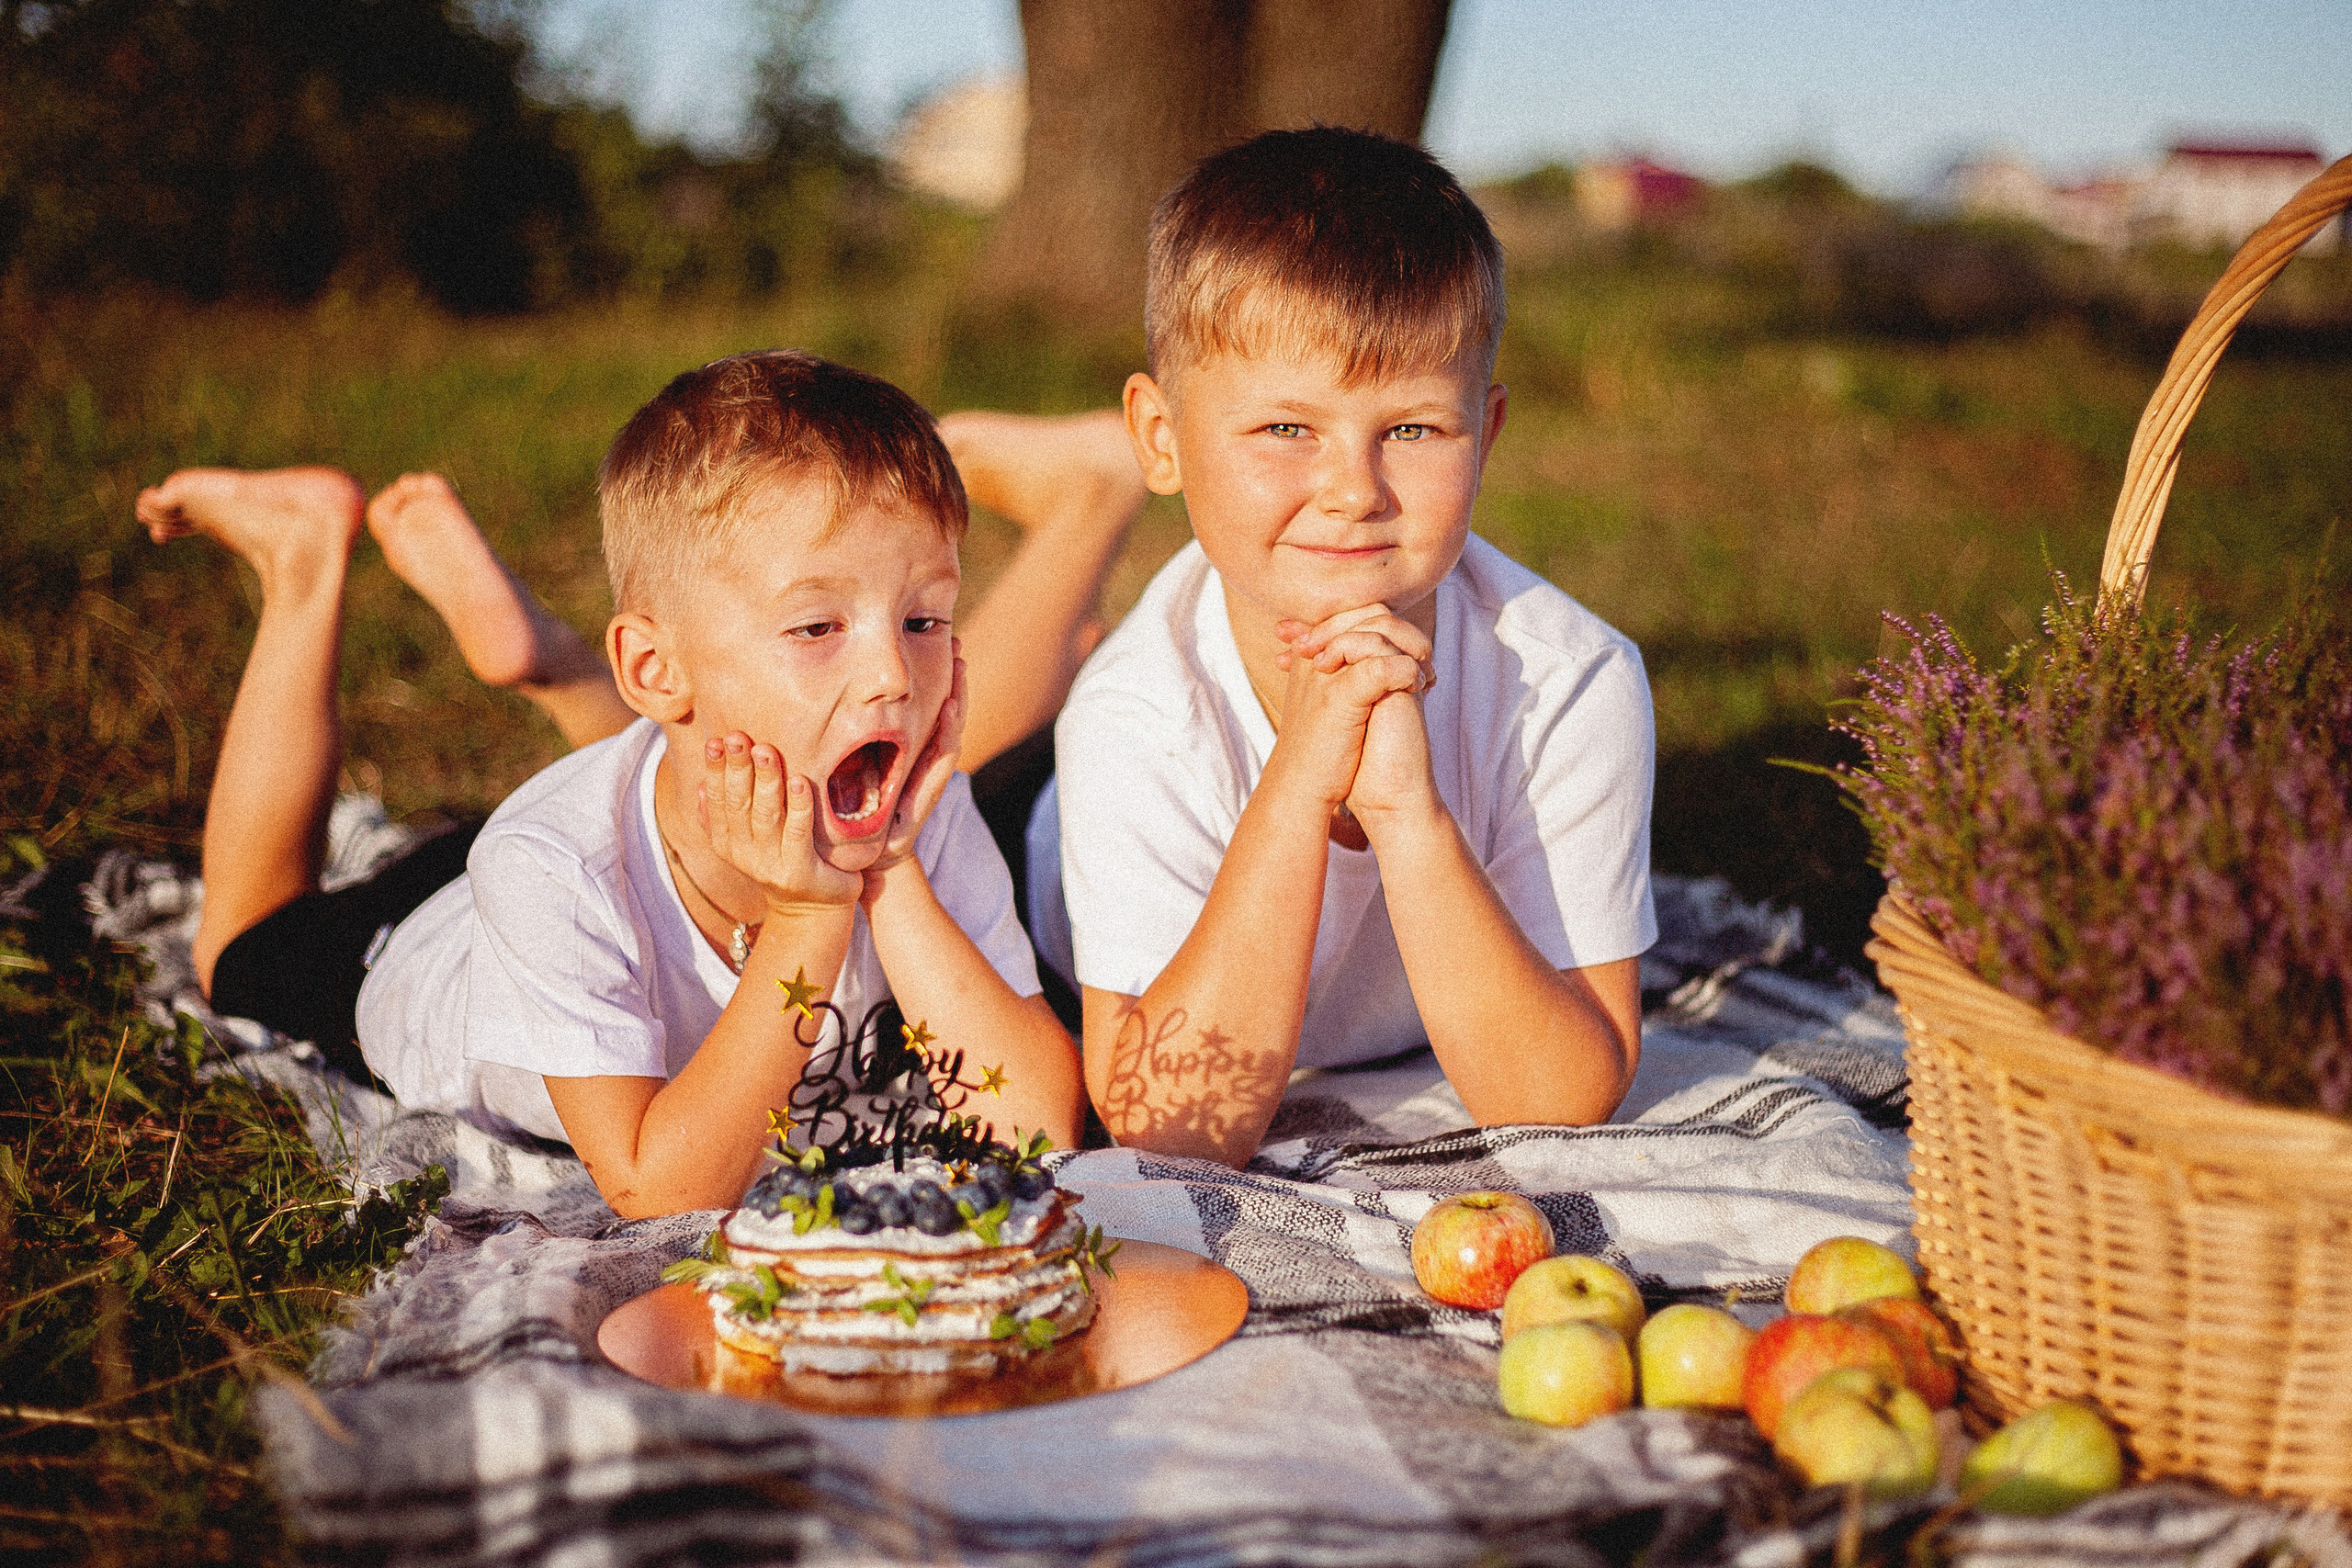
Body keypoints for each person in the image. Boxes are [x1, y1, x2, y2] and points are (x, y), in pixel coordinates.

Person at [138, 351, 1108, 1217]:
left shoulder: (905, 818)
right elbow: (661, 1187)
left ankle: (558, 671)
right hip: (413, 943)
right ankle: (301, 556)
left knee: (703, 757)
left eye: (925, 620)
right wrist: (811, 915)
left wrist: (892, 876)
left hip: (656, 802)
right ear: (654, 669)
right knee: (238, 948)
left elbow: (1034, 1126)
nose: (894, 676)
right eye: (816, 628)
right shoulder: (553, 866)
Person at [958, 127, 1657, 1167]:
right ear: (1165, 436)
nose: (1353, 491)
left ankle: (1084, 509)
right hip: (1029, 835)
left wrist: (1404, 814)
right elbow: (1168, 1125)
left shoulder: (1569, 680)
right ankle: (1082, 503)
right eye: (1286, 430)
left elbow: (1560, 1100)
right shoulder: (1137, 716)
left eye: (1412, 431)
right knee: (925, 777)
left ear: (1488, 433)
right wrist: (1297, 783)